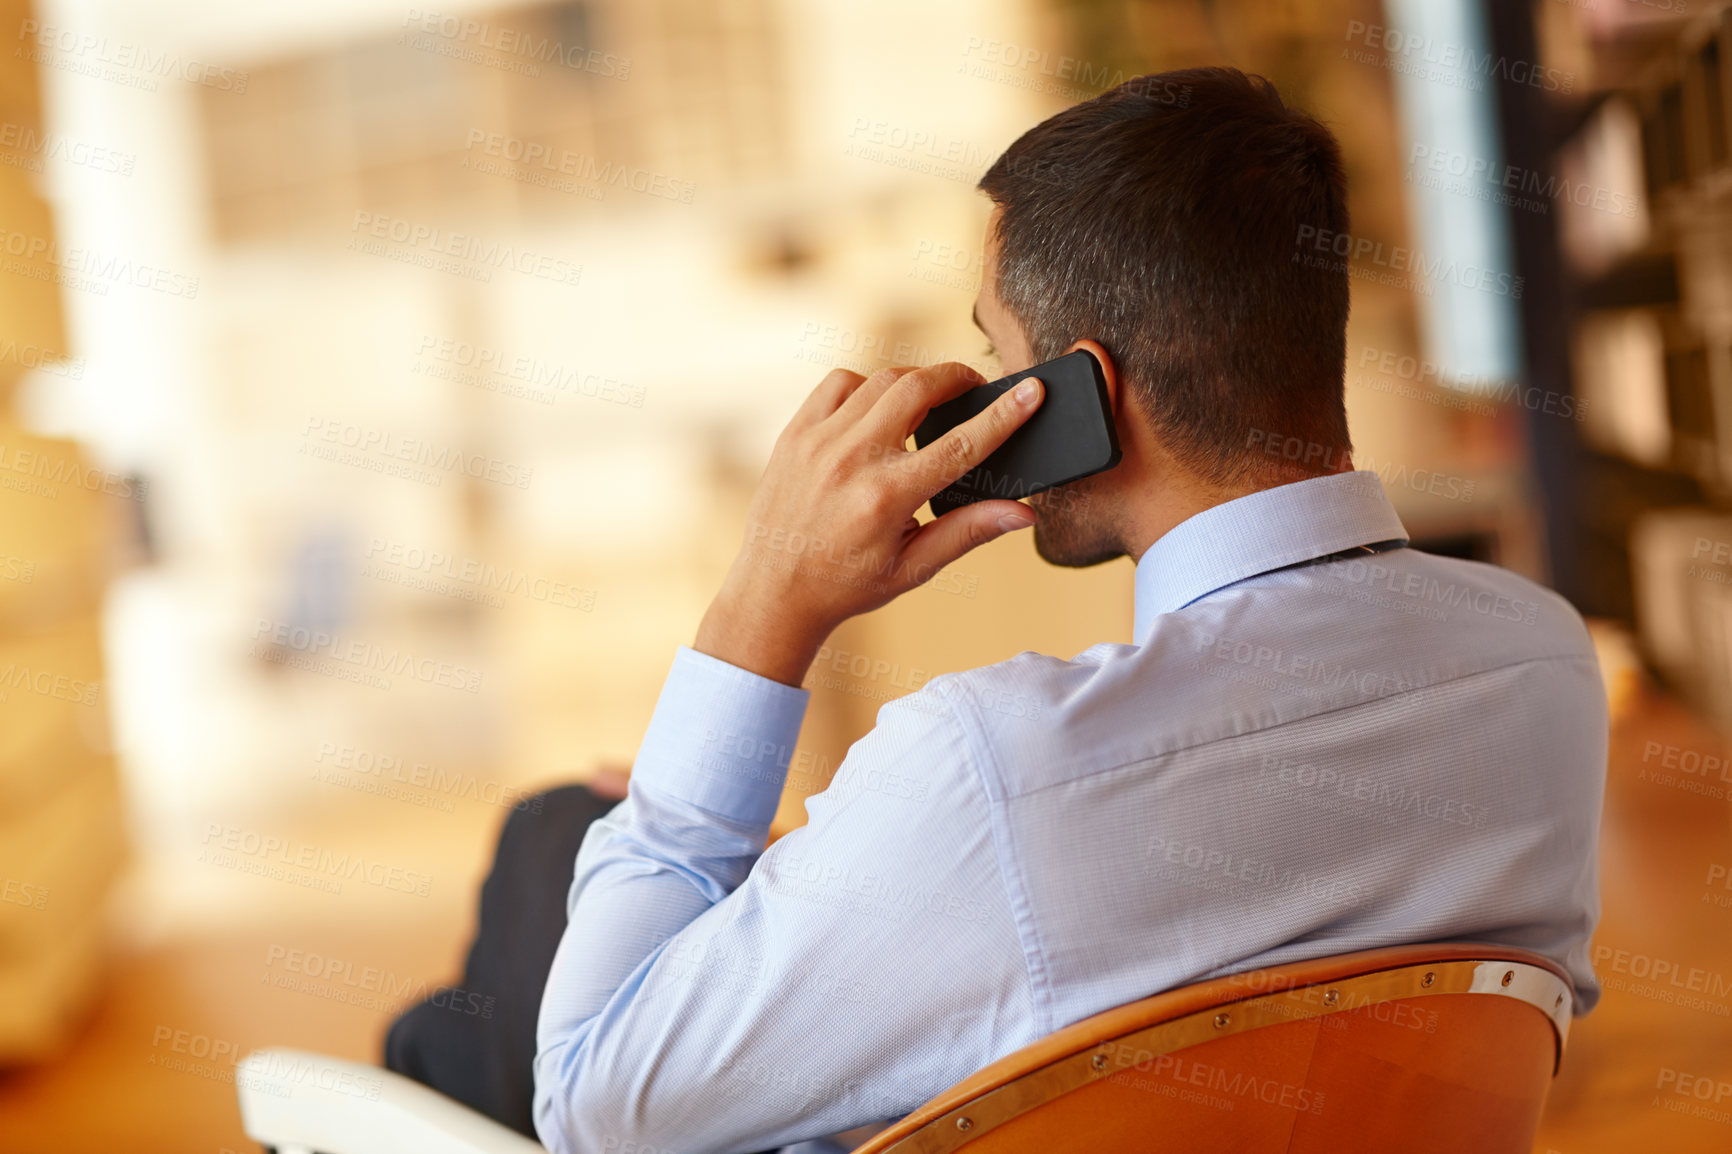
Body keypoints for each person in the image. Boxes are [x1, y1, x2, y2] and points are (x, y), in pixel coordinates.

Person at [385, 67, 1607, 1154]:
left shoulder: (992, 765)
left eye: (997, 350)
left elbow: (593, 1102)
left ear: (1082, 388)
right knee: (560, 853)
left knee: (535, 872)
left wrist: (767, 600)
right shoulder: (1543, 659)